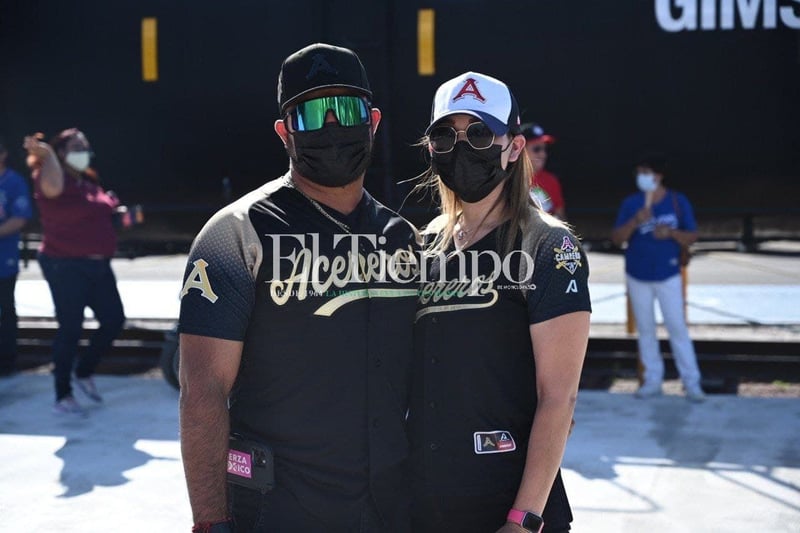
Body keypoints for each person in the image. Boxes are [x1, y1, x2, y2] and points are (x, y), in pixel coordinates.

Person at [178, 43, 419, 533]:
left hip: (390, 509)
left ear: (372, 121)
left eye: (346, 109)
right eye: (310, 113)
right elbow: (202, 391)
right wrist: (209, 521)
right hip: (279, 510)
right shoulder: (237, 233)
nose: (331, 127)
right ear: (284, 132)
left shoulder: (404, 238)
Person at [409, 72, 591, 533]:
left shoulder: (549, 246)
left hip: (507, 508)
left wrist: (523, 519)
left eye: (480, 133)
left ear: (512, 146)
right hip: (422, 504)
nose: (463, 147)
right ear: (431, 150)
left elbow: (559, 398)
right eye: (445, 135)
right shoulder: (420, 246)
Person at [23, 129, 126, 415]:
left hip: (98, 264)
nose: (84, 151)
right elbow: (54, 190)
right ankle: (62, 394)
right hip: (65, 264)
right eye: (77, 146)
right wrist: (47, 156)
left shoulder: (88, 180)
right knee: (70, 327)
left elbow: (100, 210)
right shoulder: (50, 176)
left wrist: (118, 216)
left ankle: (83, 372)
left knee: (114, 319)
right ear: (60, 152)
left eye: (86, 146)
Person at [611, 152, 705, 402]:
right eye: (639, 173)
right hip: (638, 274)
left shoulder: (677, 201)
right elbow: (617, 238)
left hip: (668, 273)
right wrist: (635, 221)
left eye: (647, 173)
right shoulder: (632, 203)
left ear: (659, 175)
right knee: (646, 329)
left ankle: (691, 382)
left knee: (677, 327)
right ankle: (652, 380)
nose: (642, 178)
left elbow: (693, 235)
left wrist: (672, 234)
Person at [0, 140, 33, 376]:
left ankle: (7, 361)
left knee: (5, 310)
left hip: (4, 260)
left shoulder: (13, 182)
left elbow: (19, 218)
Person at [521, 123, 565, 220]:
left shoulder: (551, 180)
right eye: (537, 149)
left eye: (545, 149)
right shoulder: (506, 180)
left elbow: (561, 218)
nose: (543, 155)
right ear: (520, 149)